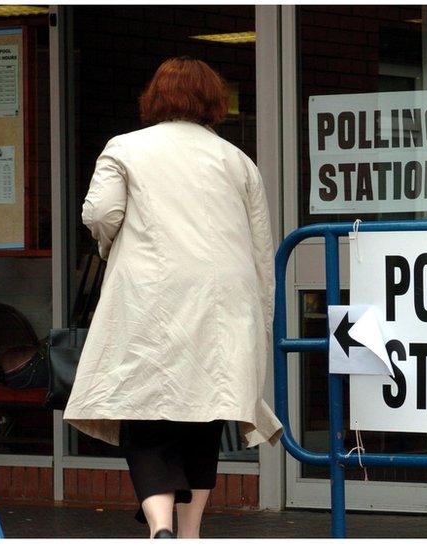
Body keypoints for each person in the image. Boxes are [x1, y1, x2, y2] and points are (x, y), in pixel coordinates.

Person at [63, 56, 283, 539]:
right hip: (224, 301)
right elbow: (260, 247)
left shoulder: (125, 148)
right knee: (203, 414)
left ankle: (159, 528)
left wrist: (112, 244)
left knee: (146, 414)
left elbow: (100, 212)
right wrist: (260, 317)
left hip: (151, 299)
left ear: (155, 98)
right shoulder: (237, 160)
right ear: (213, 101)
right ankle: (190, 534)